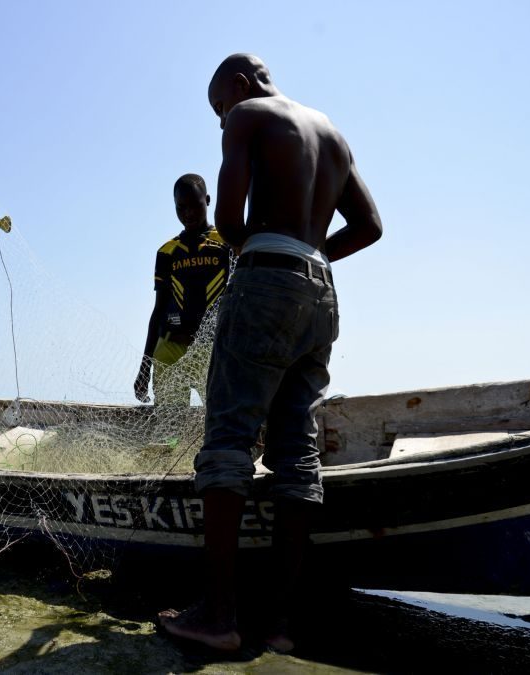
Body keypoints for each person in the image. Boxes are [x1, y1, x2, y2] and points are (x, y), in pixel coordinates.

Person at [158, 55, 383, 651]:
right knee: (296, 453)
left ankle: (220, 617)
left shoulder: (249, 115)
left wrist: (268, 258)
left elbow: (229, 219)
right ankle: (280, 627)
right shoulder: (332, 133)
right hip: (321, 292)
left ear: (238, 85)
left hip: (265, 279)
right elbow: (369, 226)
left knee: (228, 439)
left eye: (217, 109)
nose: (221, 121)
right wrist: (308, 258)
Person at [134, 174, 230, 405]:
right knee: (170, 431)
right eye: (181, 208)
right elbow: (159, 311)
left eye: (195, 206)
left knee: (220, 420)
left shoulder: (227, 243)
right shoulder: (167, 252)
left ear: (207, 200)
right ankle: (173, 442)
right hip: (170, 351)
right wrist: (144, 368)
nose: (188, 214)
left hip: (213, 350)